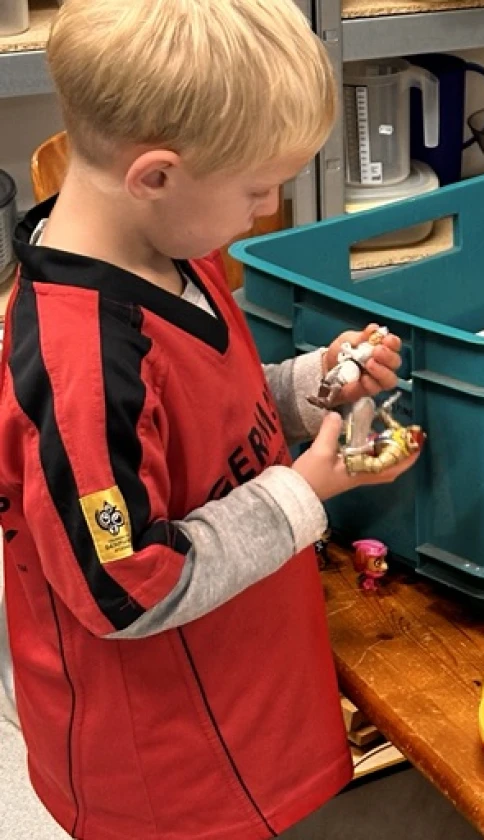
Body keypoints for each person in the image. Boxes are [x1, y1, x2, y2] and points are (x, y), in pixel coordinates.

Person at [0, 1, 420, 837]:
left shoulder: (171, 250)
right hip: (167, 767)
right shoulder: (80, 367)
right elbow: (124, 587)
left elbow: (210, 403)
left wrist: (311, 386)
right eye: (259, 188)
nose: (267, 209)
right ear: (155, 175)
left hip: (240, 678)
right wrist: (307, 492)